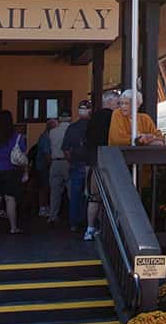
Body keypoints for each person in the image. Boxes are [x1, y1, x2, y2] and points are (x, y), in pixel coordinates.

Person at [63, 94, 116, 240]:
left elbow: (66, 149)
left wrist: (72, 161)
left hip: (82, 163)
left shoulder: (72, 128)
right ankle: (96, 226)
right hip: (98, 162)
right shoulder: (108, 120)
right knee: (96, 197)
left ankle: (78, 225)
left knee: (79, 196)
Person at [43, 116, 70, 224]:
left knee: (54, 192)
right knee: (72, 191)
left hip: (55, 162)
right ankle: (75, 217)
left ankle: (53, 216)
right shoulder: (71, 129)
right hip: (67, 162)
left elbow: (47, 149)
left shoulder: (52, 132)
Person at [31, 117, 59, 218]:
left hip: (42, 165)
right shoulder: (46, 137)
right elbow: (47, 154)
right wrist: (52, 164)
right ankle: (43, 208)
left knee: (45, 187)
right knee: (44, 187)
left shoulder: (45, 136)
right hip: (43, 166)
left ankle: (45, 207)